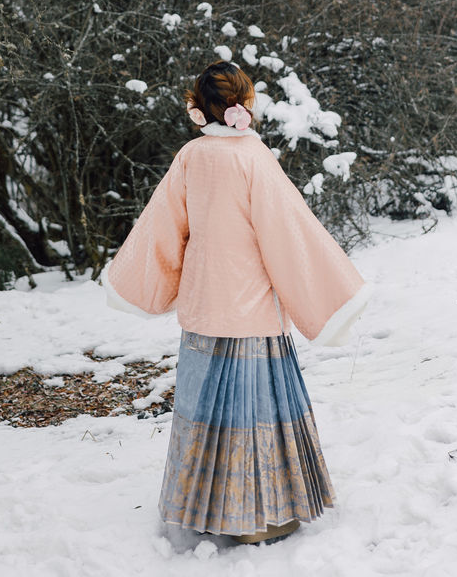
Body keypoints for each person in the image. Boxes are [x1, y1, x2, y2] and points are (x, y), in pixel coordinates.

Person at [102, 60, 372, 545]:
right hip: (250, 306)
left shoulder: (190, 156)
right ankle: (260, 519)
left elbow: (162, 228)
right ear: (244, 106)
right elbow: (289, 235)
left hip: (205, 301)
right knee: (254, 408)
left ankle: (204, 508)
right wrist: (332, 294)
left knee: (207, 407)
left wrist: (142, 283)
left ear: (199, 109)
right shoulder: (254, 157)